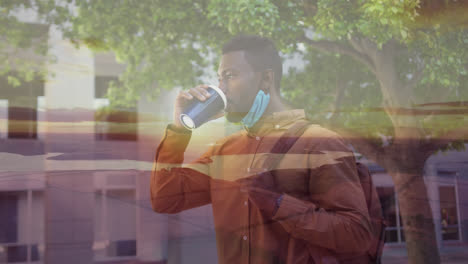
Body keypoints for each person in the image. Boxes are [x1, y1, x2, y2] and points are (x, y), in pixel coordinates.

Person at [151, 35, 372, 264]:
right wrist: (179, 130)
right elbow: (164, 199)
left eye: (230, 76)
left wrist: (278, 203)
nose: (222, 89)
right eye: (219, 79)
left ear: (266, 78)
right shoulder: (224, 151)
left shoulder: (319, 143)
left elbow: (357, 234)